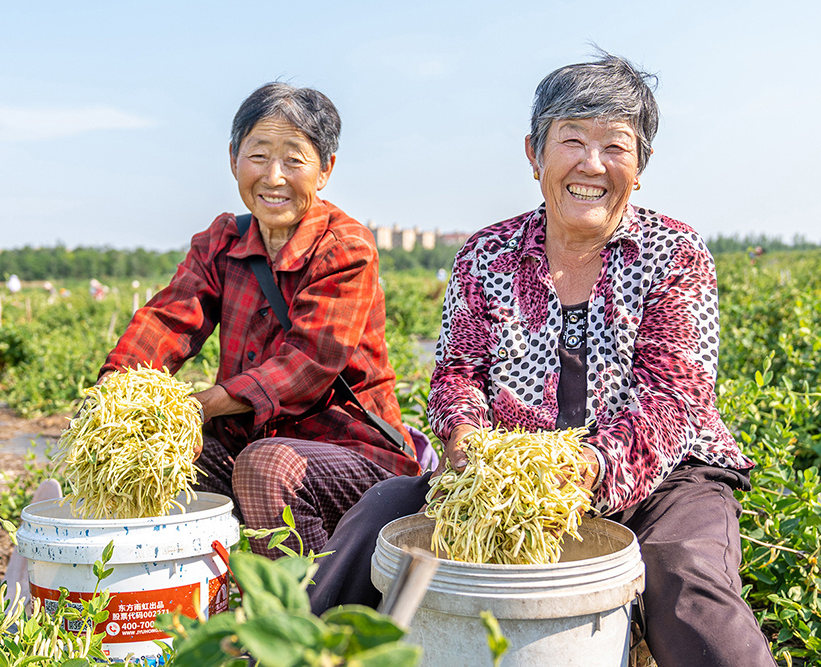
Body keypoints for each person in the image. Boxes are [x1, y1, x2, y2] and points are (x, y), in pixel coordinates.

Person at [308, 53, 776, 667]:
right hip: (504, 477)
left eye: (617, 145)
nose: (592, 164)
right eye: (572, 140)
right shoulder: (488, 254)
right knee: (380, 516)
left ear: (642, 167)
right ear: (534, 154)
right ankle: (295, 652)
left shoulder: (673, 251)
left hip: (665, 474)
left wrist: (585, 466)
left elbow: (673, 398)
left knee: (683, 573)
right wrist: (469, 444)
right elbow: (458, 374)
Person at [98, 82, 421, 558]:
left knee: (264, 466)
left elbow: (308, 363)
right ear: (233, 160)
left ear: (326, 169)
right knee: (164, 456)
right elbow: (169, 319)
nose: (274, 177)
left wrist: (204, 403)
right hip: (251, 442)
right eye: (258, 156)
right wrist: (114, 394)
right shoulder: (223, 239)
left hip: (353, 452)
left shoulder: (345, 248)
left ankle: (304, 620)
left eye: (294, 160)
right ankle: (203, 606)